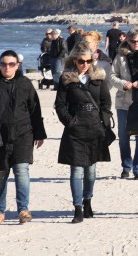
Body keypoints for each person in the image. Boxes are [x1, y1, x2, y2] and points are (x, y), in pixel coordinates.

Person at [0, 50, 47, 224]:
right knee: (0, 174)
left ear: (17, 65)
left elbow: (35, 110)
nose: (7, 67)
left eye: (11, 64)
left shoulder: (25, 83)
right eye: (4, 64)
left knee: (21, 171)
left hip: (23, 134)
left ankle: (23, 210)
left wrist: (39, 134)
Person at [55, 42, 113, 223]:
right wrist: (70, 122)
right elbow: (60, 105)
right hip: (75, 130)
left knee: (91, 171)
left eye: (89, 61)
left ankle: (88, 201)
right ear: (74, 60)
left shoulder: (99, 77)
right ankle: (77, 207)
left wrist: (103, 121)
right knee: (76, 171)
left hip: (95, 128)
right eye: (81, 61)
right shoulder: (67, 78)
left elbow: (106, 102)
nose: (85, 64)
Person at [110, 28, 138, 180]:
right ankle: (126, 166)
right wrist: (124, 84)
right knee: (123, 137)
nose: (136, 44)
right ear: (127, 41)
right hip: (123, 102)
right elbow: (112, 76)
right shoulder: (120, 57)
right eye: (133, 41)